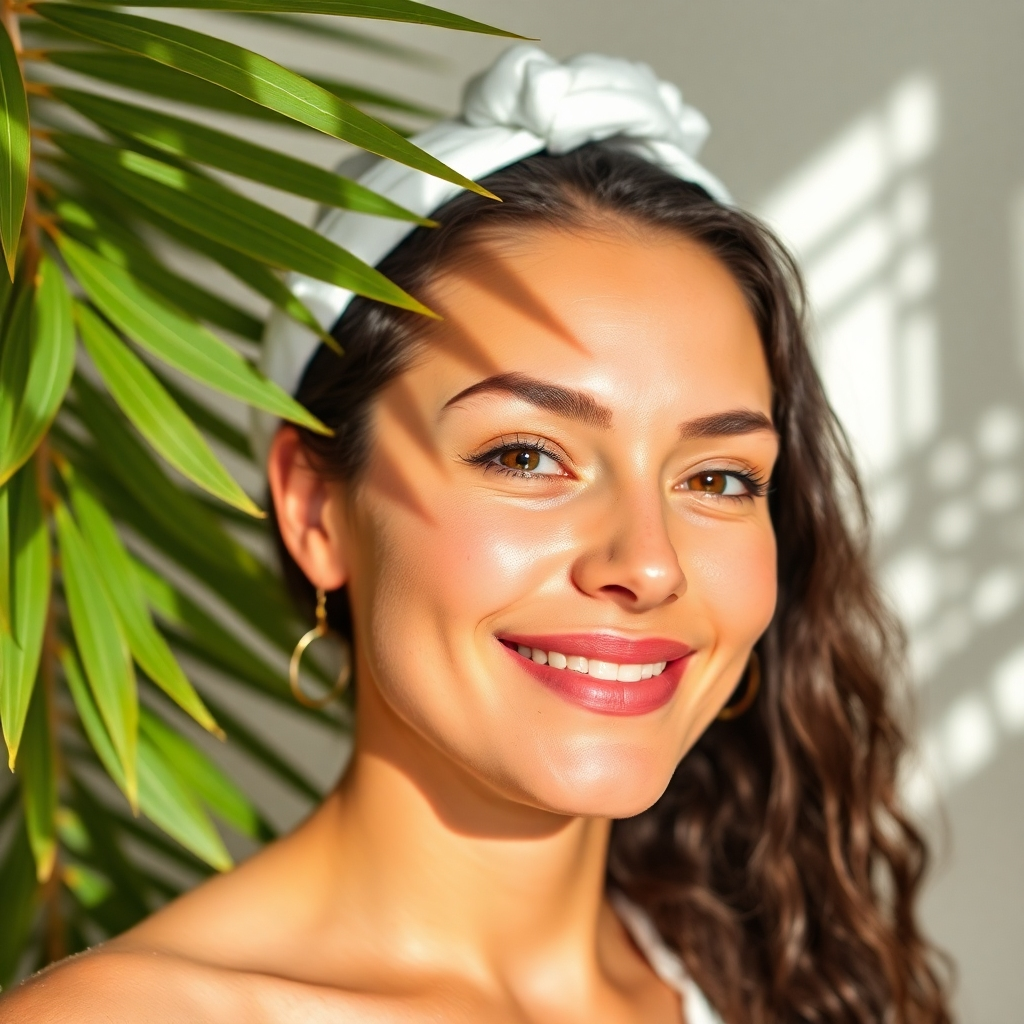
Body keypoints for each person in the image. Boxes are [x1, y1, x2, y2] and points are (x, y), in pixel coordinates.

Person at [1, 46, 952, 1024]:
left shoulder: (776, 977)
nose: (648, 562)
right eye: (527, 457)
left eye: (715, 477)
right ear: (315, 507)